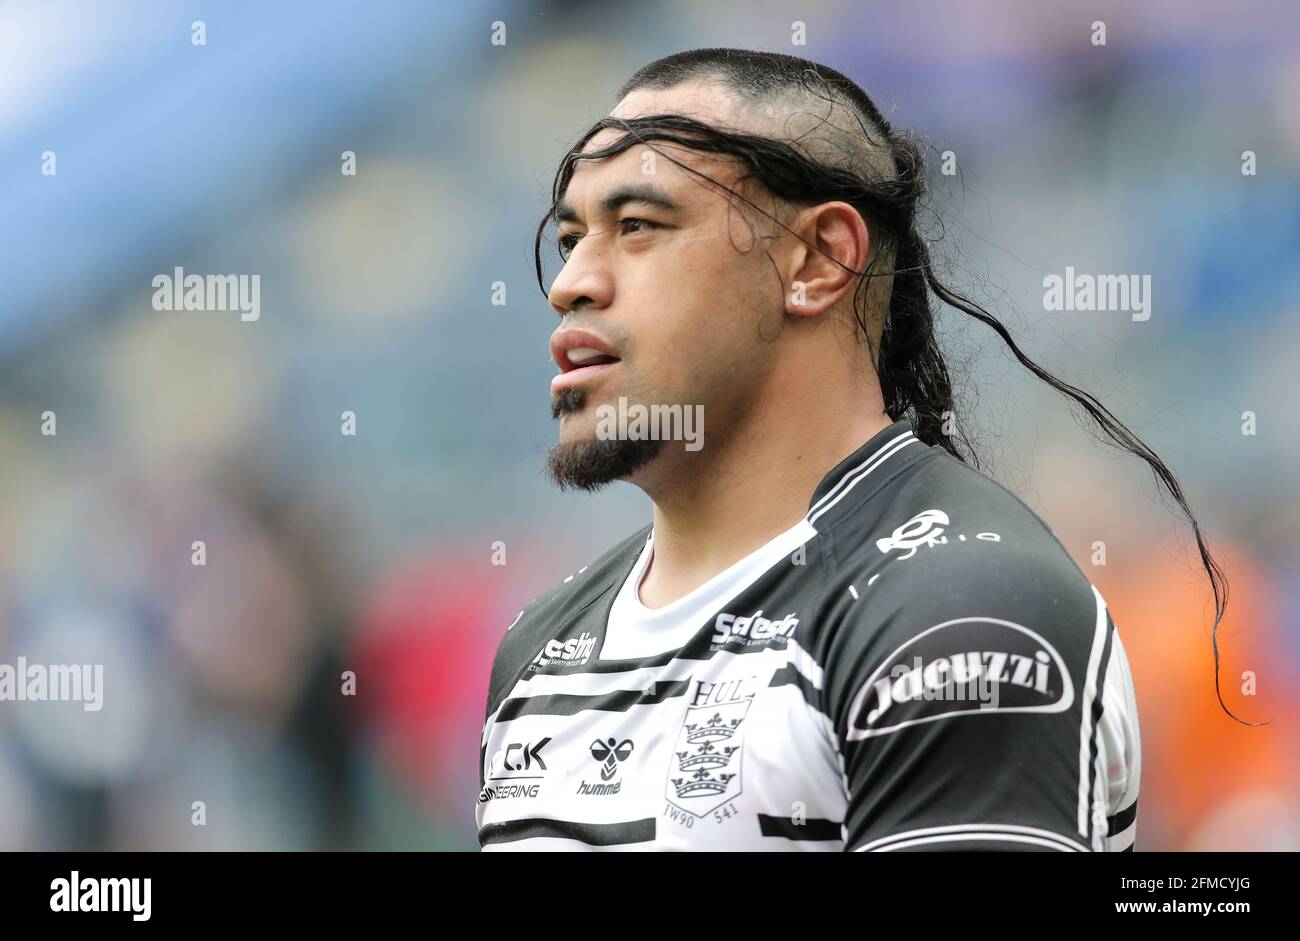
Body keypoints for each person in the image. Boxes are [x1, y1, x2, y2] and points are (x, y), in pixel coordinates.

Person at [477, 48, 1223, 851]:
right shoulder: (541, 645)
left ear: (819, 259)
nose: (571, 283)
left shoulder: (957, 607)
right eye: (570, 239)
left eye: (637, 227)